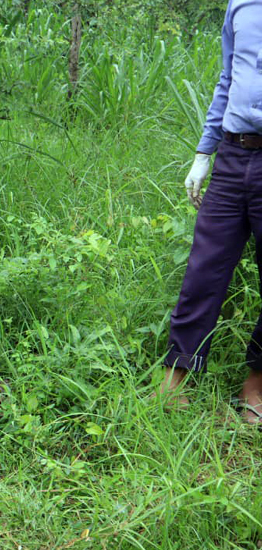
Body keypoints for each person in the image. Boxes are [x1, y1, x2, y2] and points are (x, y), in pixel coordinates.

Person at [158, 0, 262, 424]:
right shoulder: (240, 5)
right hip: (233, 156)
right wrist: (204, 152)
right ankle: (175, 377)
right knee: (203, 270)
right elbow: (227, 79)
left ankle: (255, 384)